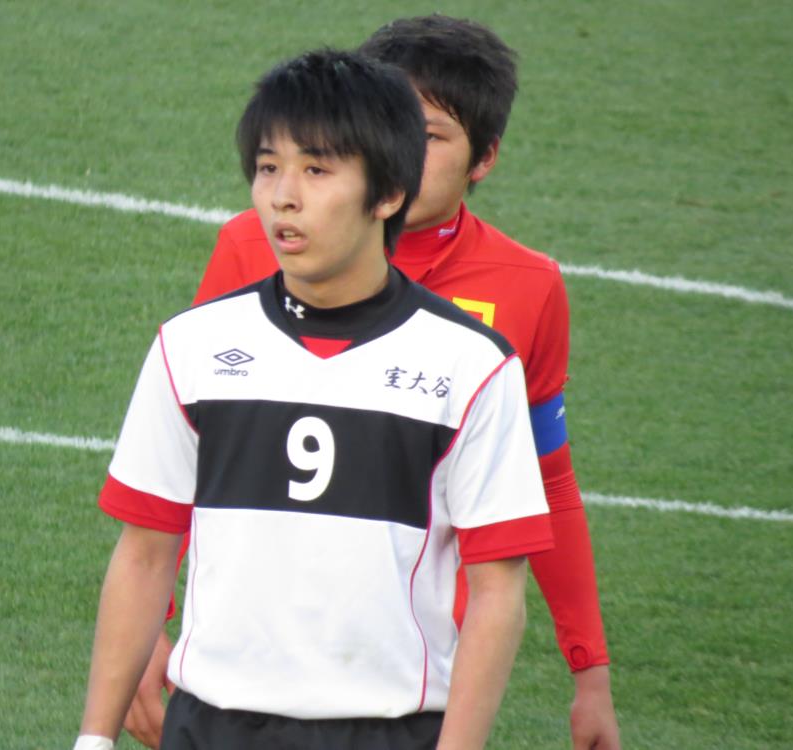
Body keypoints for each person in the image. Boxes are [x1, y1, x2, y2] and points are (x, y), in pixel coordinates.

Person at [127, 15, 622, 750]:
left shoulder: (529, 287)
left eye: (431, 136)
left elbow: (548, 480)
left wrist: (590, 672)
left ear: (485, 157)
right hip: (247, 676)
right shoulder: (251, 246)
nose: (405, 153)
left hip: (409, 689)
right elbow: (201, 448)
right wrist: (150, 630)